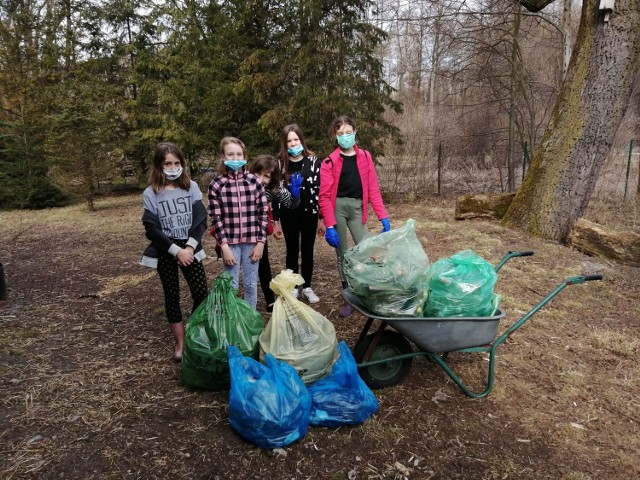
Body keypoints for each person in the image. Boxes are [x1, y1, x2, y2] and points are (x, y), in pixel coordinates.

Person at [140, 142, 208, 361]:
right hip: (166, 249)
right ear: (159, 166)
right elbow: (151, 228)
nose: (172, 167)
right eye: (168, 163)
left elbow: (200, 220)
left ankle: (193, 333)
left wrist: (189, 247)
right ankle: (180, 343)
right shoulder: (151, 193)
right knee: (172, 295)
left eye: (176, 163)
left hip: (190, 246)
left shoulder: (192, 187)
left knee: (200, 293)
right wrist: (175, 251)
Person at [318, 115, 391, 317]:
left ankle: (369, 291)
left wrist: (382, 216)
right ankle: (348, 296)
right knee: (342, 254)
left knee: (366, 249)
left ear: (355, 132)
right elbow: (323, 197)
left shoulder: (365, 157)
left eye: (348, 133)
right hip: (338, 208)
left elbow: (373, 189)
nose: (345, 137)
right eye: (341, 133)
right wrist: (330, 225)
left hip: (358, 208)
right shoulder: (329, 162)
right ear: (335, 135)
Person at [208, 137, 268, 308]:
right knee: (231, 286)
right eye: (230, 155)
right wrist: (224, 247)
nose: (235, 158)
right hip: (230, 245)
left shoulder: (254, 181)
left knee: (250, 285)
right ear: (223, 157)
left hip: (252, 243)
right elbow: (216, 218)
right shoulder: (217, 185)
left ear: (244, 156)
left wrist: (260, 243)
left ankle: (249, 321)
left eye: (238, 154)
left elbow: (263, 213)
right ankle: (234, 323)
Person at [276, 124, 325, 303]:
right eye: (289, 141)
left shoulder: (313, 162)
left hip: (309, 213)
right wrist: (275, 221)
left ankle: (308, 286)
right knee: (291, 250)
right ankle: (293, 287)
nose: (293, 143)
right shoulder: (280, 164)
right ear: (285, 144)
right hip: (288, 214)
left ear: (301, 140)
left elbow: (320, 191)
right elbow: (275, 193)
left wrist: (322, 218)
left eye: (296, 139)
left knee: (307, 250)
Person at [249, 154, 301, 312]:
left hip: (259, 229)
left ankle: (269, 300)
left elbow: (290, 204)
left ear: (271, 178)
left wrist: (296, 195)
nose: (260, 178)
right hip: (240, 229)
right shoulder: (242, 183)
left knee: (263, 264)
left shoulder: (273, 188)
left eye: (266, 176)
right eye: (258, 173)